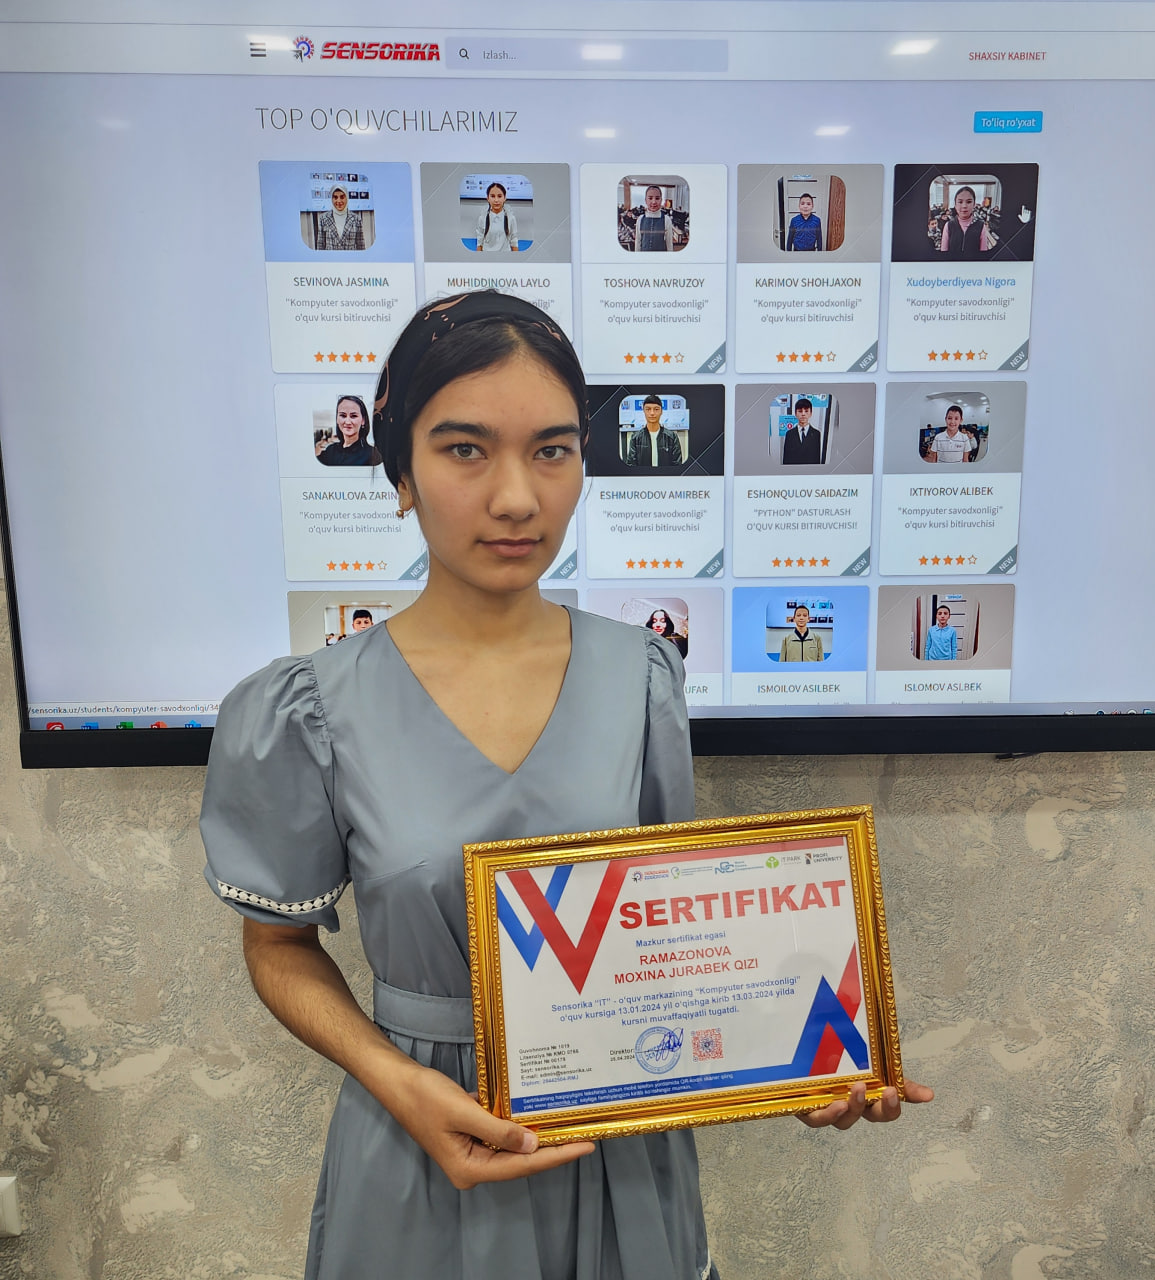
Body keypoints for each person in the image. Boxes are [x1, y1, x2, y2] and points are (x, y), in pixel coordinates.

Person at [201, 290, 929, 1280]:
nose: (516, 498)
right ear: (400, 472)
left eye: (551, 450)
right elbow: (278, 946)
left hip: (618, 1140)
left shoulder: (641, 676)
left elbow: (673, 933)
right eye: (465, 449)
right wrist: (396, 1081)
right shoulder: (311, 706)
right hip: (420, 1138)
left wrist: (793, 1061)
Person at [317, 396, 382, 467]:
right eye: (343, 415)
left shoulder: (373, 454)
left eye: (353, 416)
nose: (347, 422)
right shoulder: (330, 451)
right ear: (337, 419)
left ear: (363, 420)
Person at [624, 394, 684, 467]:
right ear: (644, 411)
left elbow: (677, 465)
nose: (652, 413)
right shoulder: (635, 438)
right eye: (648, 409)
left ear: (661, 411)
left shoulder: (672, 437)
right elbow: (631, 465)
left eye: (656, 409)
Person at [938, 185, 994, 259]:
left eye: (969, 202)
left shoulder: (980, 226)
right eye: (960, 202)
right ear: (955, 205)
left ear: (974, 204)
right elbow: (944, 254)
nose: (964, 206)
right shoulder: (949, 225)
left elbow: (983, 255)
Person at [315, 185, 366, 251]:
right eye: (335, 197)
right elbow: (320, 246)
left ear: (347, 198)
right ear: (332, 199)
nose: (339, 201)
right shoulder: (323, 218)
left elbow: (361, 246)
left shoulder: (356, 219)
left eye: (342, 197)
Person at [475, 181, 519, 253]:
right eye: (492, 196)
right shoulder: (482, 218)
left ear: (505, 198)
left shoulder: (511, 218)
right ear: (488, 198)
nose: (496, 200)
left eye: (499, 196)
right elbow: (479, 242)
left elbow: (514, 241)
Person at [632, 184, 676, 252]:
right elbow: (638, 242)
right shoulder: (640, 219)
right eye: (650, 198)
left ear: (661, 200)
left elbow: (669, 244)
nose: (654, 202)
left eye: (657, 198)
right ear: (645, 200)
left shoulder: (666, 219)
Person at [781, 398, 822, 464]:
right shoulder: (789, 434)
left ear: (810, 413)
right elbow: (786, 458)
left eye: (806, 411)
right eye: (800, 411)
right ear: (795, 414)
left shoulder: (816, 434)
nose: (803, 414)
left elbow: (817, 457)